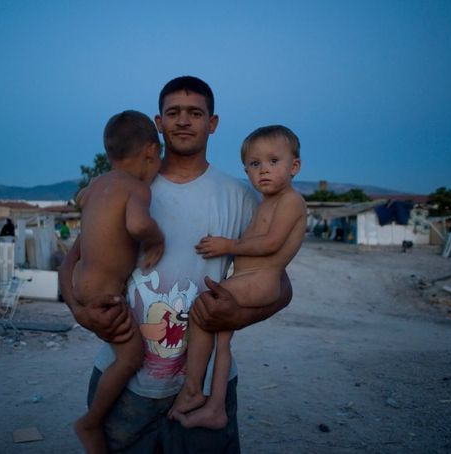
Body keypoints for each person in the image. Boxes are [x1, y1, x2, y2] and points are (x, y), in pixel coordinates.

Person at [59, 76, 292, 452]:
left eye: (195, 112)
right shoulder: (125, 188)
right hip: (127, 386)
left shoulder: (243, 198)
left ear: (212, 123)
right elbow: (71, 263)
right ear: (159, 122)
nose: (184, 120)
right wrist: (81, 312)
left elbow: (280, 286)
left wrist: (238, 314)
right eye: (174, 113)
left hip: (201, 390)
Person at [169, 125, 307, 429]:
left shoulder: (291, 201)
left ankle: (193, 388)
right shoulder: (266, 202)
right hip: (249, 278)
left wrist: (227, 245)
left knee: (203, 309)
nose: (264, 171)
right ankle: (216, 406)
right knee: (222, 340)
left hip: (261, 279)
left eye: (274, 161)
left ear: (294, 166)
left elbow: (271, 243)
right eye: (255, 165)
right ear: (246, 170)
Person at [70, 110, 165, 453]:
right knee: (131, 357)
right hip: (104, 294)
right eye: (158, 161)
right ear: (151, 153)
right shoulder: (137, 188)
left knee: (123, 352)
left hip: (83, 282)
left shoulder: (97, 185)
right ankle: (91, 421)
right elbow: (139, 226)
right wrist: (157, 239)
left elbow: (80, 198)